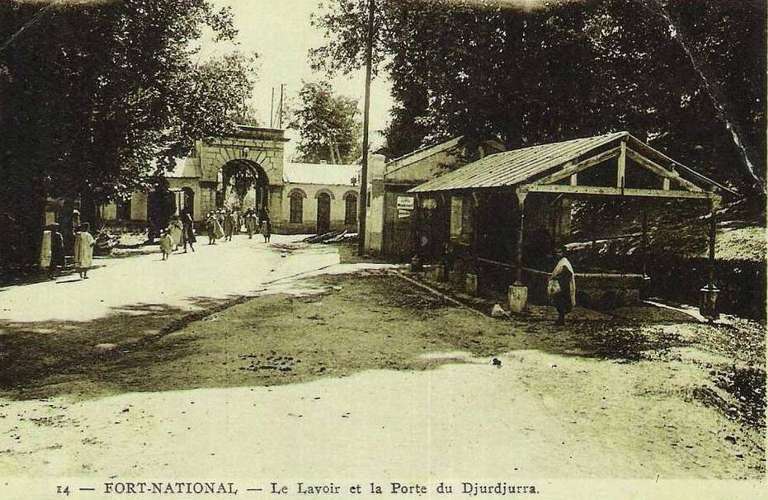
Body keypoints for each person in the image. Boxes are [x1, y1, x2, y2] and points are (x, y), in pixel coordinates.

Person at [548, 245, 576, 326]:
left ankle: (561, 319)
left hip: (563, 285)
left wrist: (558, 277)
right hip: (560, 284)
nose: (558, 254)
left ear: (563, 253)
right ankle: (560, 319)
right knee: (558, 302)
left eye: (560, 252)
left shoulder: (564, 263)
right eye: (557, 252)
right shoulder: (559, 262)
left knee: (561, 303)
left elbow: (568, 274)